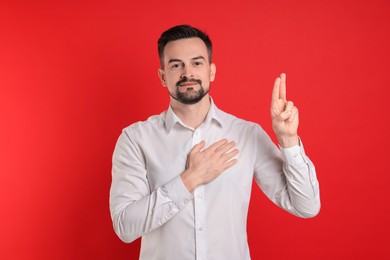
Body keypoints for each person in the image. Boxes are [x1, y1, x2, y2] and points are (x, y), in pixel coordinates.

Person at [109, 24, 320, 260]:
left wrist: (288, 140)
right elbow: (125, 226)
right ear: (162, 76)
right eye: (176, 65)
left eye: (196, 63)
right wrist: (191, 178)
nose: (187, 73)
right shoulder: (135, 139)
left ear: (211, 71)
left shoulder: (246, 134)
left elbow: (306, 206)